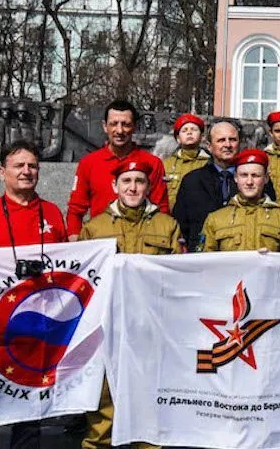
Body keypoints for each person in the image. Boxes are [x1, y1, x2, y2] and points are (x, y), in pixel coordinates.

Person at [0, 140, 71, 449]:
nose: (26, 171)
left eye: (32, 165)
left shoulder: (52, 212)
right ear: (2, 171)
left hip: (36, 328)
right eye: (19, 165)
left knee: (28, 417)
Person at [80, 159, 181, 449]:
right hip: (106, 323)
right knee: (103, 399)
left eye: (139, 181)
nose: (133, 187)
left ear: (149, 186)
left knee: (149, 395)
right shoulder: (95, 227)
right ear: (115, 186)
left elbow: (178, 276)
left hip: (151, 324)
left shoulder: (167, 225)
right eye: (126, 181)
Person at [65, 99, 168, 236]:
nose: (119, 130)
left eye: (126, 124)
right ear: (104, 126)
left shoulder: (153, 163)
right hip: (100, 240)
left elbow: (162, 209)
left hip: (141, 243)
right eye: (114, 124)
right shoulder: (88, 163)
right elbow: (75, 210)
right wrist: (75, 240)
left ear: (135, 127)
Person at [170, 119, 255, 250]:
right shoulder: (192, 181)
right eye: (221, 140)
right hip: (201, 257)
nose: (227, 144)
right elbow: (181, 226)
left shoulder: (255, 180)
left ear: (240, 143)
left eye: (232, 139)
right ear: (209, 146)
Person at [198, 149, 280, 252]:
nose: (249, 182)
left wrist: (272, 260)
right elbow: (206, 262)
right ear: (236, 177)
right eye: (244, 175)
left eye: (255, 175)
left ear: (266, 178)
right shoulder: (216, 219)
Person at [161, 113, 209, 207]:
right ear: (178, 138)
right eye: (184, 130)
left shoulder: (209, 163)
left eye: (194, 130)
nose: (189, 132)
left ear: (202, 137)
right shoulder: (166, 164)